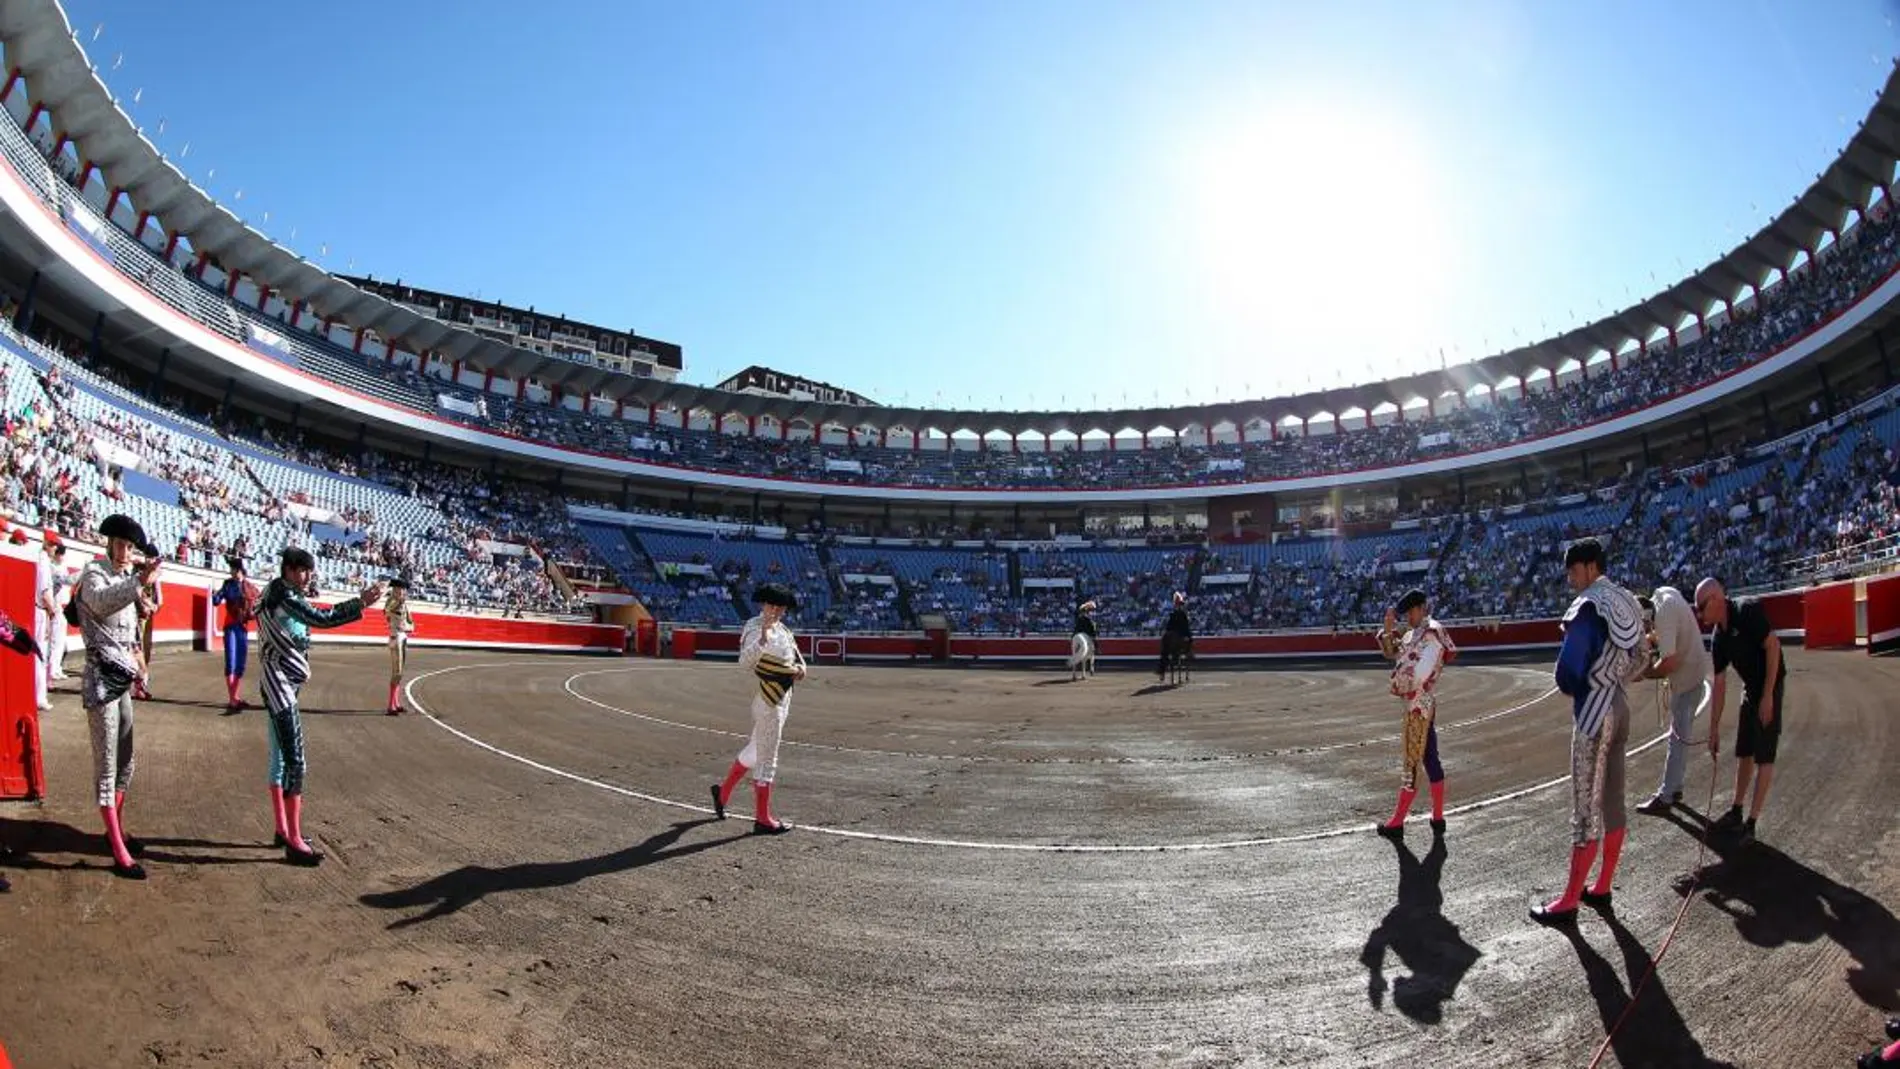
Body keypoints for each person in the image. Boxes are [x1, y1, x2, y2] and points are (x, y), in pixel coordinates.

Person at [1533, 538, 1643, 925]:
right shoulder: (1626, 599)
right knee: (1613, 798)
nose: (1570, 579)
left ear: (1590, 566)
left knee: (1584, 806)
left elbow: (1567, 674)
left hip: (1594, 715)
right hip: (1621, 704)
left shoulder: (1587, 607)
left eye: (1573, 570)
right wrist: (1614, 678)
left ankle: (1568, 901)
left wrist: (1587, 684)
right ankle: (1603, 885)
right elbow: (1641, 657)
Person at [255, 547, 385, 864]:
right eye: (301, 570)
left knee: (279, 759)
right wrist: (361, 603)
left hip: (277, 681)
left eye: (308, 570)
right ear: (287, 570)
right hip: (280, 685)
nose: (307, 576)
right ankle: (294, 841)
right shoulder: (285, 596)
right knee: (295, 760)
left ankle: (283, 829)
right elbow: (322, 619)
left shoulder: (276, 590)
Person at [74, 514, 165, 880]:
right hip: (100, 679)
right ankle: (117, 847)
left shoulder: (126, 578)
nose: (128, 552)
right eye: (124, 545)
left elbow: (131, 628)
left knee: (126, 757)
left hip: (122, 679)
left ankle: (116, 830)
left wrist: (141, 666)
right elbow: (99, 603)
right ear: (109, 543)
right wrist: (138, 582)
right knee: (108, 762)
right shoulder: (94, 572)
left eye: (132, 547)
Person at [709, 584, 805, 834]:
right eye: (772, 605)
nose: (776, 611)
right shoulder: (754, 628)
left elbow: (795, 654)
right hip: (768, 699)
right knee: (767, 756)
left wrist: (802, 666)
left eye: (781, 607)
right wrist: (762, 640)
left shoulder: (783, 629)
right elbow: (744, 663)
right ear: (762, 604)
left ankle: (722, 793)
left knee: (754, 751)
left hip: (782, 697)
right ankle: (762, 818)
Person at [1694, 577, 1783, 845]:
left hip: (1770, 683)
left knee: (1764, 755)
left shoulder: (1747, 611)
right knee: (1744, 750)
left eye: (1701, 607)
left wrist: (1768, 696)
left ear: (1716, 600)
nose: (1699, 614)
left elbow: (1773, 647)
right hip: (1750, 689)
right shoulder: (1719, 638)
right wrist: (1713, 729)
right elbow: (1719, 685)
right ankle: (1736, 810)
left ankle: (1752, 823)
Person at [1375, 588, 1456, 837]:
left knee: (1411, 761)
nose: (1407, 617)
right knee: (1430, 758)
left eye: (1410, 611)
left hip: (1419, 705)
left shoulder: (1431, 633)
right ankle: (1438, 818)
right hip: (1418, 703)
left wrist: (1403, 683)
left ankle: (1397, 822)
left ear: (1422, 608)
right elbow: (1391, 652)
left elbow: (1421, 673)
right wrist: (1388, 630)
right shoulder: (1413, 634)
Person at [1635, 587, 1711, 814]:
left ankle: (1667, 795)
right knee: (1679, 735)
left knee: (1677, 738)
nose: (1647, 632)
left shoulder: (1664, 615)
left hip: (1687, 678)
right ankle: (1674, 787)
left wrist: (1645, 672)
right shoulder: (1662, 597)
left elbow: (1669, 663)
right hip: (1693, 672)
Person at [211, 556, 258, 713]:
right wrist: (215, 595)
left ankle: (234, 697)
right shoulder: (228, 584)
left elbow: (257, 605)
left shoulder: (250, 587)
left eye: (232, 569)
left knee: (240, 663)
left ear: (239, 570)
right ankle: (232, 699)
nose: (230, 572)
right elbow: (216, 601)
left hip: (242, 627)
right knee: (231, 660)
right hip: (231, 626)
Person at [383, 577, 415, 715]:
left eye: (403, 589)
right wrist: (398, 603)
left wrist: (407, 627)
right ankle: (390, 706)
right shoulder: (391, 601)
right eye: (399, 589)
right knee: (397, 672)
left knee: (400, 673)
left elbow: (411, 624)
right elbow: (386, 612)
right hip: (395, 637)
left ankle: (396, 703)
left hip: (402, 636)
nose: (402, 591)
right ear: (394, 589)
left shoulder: (404, 604)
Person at [32, 534, 55, 711]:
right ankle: (40, 696)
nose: (55, 548)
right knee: (40, 654)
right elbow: (45, 591)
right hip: (40, 609)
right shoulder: (44, 560)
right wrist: (52, 611)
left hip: (35, 608)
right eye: (53, 545)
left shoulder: (37, 557)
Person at [45, 543, 72, 681]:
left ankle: (57, 667)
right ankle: (52, 669)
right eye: (60, 554)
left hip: (63, 606)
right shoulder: (51, 567)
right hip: (56, 606)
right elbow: (66, 581)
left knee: (60, 640)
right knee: (55, 640)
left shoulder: (62, 567)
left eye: (62, 554)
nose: (61, 556)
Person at [1158, 591, 1192, 681]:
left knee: (1164, 652)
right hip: (1180, 633)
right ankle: (1189, 652)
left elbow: (1168, 626)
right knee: (1189, 640)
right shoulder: (1183, 614)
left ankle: (1162, 671)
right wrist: (1188, 635)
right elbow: (1186, 626)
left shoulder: (1172, 614)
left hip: (1170, 633)